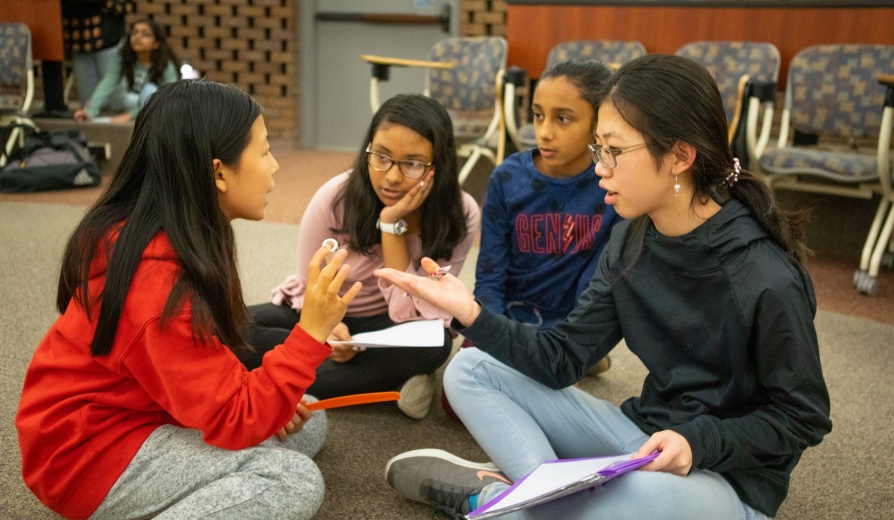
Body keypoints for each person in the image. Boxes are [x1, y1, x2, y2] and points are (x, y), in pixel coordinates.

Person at [376, 54, 832, 520]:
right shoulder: (631, 239)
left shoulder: (764, 275)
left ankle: (500, 499)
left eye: (614, 150)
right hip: (641, 440)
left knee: (626, 500)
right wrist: (472, 313)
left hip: (726, 480)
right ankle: (537, 500)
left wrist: (699, 441)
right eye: (599, 149)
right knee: (469, 370)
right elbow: (563, 358)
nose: (600, 169)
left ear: (679, 156)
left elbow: (802, 417)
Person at [16, 79, 361, 520]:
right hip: (86, 456)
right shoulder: (157, 285)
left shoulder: (173, 237)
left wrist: (272, 391)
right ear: (218, 172)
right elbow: (235, 416)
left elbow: (202, 363)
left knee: (306, 422)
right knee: (290, 479)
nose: (275, 166)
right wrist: (310, 330)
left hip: (139, 413)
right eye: (264, 150)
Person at [245, 93, 480, 420]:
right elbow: (307, 285)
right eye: (381, 157)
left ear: (438, 165)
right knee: (232, 327)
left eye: (412, 163)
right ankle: (383, 384)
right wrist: (326, 330)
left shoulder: (461, 213)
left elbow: (411, 313)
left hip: (393, 326)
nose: (392, 177)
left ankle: (279, 383)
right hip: (327, 315)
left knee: (436, 345)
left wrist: (391, 225)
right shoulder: (335, 198)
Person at [74, 18, 180, 123]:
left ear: (156, 43)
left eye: (145, 34)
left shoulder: (166, 65)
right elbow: (108, 82)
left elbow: (169, 100)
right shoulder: (124, 57)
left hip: (162, 111)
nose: (137, 37)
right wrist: (90, 111)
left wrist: (130, 115)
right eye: (134, 33)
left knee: (149, 90)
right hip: (138, 104)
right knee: (128, 98)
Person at [62, 0, 134, 106]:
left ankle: (147, 103)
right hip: (79, 42)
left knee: (118, 100)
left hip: (108, 41)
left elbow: (125, 6)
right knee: (88, 102)